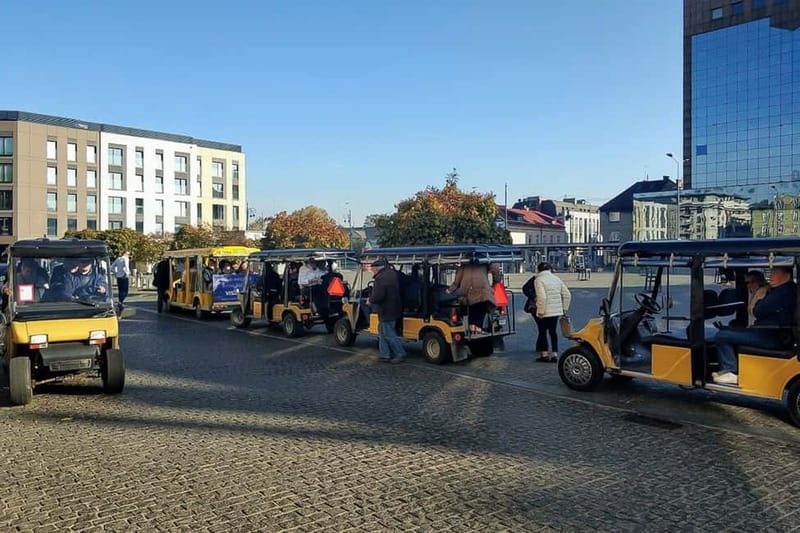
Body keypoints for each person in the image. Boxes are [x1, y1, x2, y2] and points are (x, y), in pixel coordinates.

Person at [713, 265, 797, 385]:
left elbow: (758, 310)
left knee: (722, 335)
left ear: (787, 275)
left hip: (769, 336)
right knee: (729, 329)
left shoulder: (783, 292)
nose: (770, 276)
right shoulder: (786, 289)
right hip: (774, 333)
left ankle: (731, 371)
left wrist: (759, 299)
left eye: (774, 273)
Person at [367, 259, 406, 362]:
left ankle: (400, 353)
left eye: (372, 270)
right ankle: (384, 354)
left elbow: (379, 295)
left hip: (385, 310)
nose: (372, 271)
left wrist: (370, 300)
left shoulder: (380, 278)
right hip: (395, 307)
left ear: (377, 268)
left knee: (388, 333)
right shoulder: (392, 274)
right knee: (382, 332)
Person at [447, 261, 501, 333]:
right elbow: (495, 268)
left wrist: (449, 291)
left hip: (467, 295)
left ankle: (471, 327)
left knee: (462, 306)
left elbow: (456, 282)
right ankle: (478, 327)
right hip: (483, 294)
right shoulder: (484, 259)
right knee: (483, 306)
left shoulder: (465, 262)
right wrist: (496, 282)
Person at [533, 262, 572, 362]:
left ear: (539, 270)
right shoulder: (556, 279)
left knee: (542, 332)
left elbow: (542, 297)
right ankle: (555, 354)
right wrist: (564, 309)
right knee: (553, 332)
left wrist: (541, 311)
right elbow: (567, 294)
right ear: (550, 269)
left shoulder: (538, 280)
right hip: (555, 312)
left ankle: (544, 354)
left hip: (545, 311)